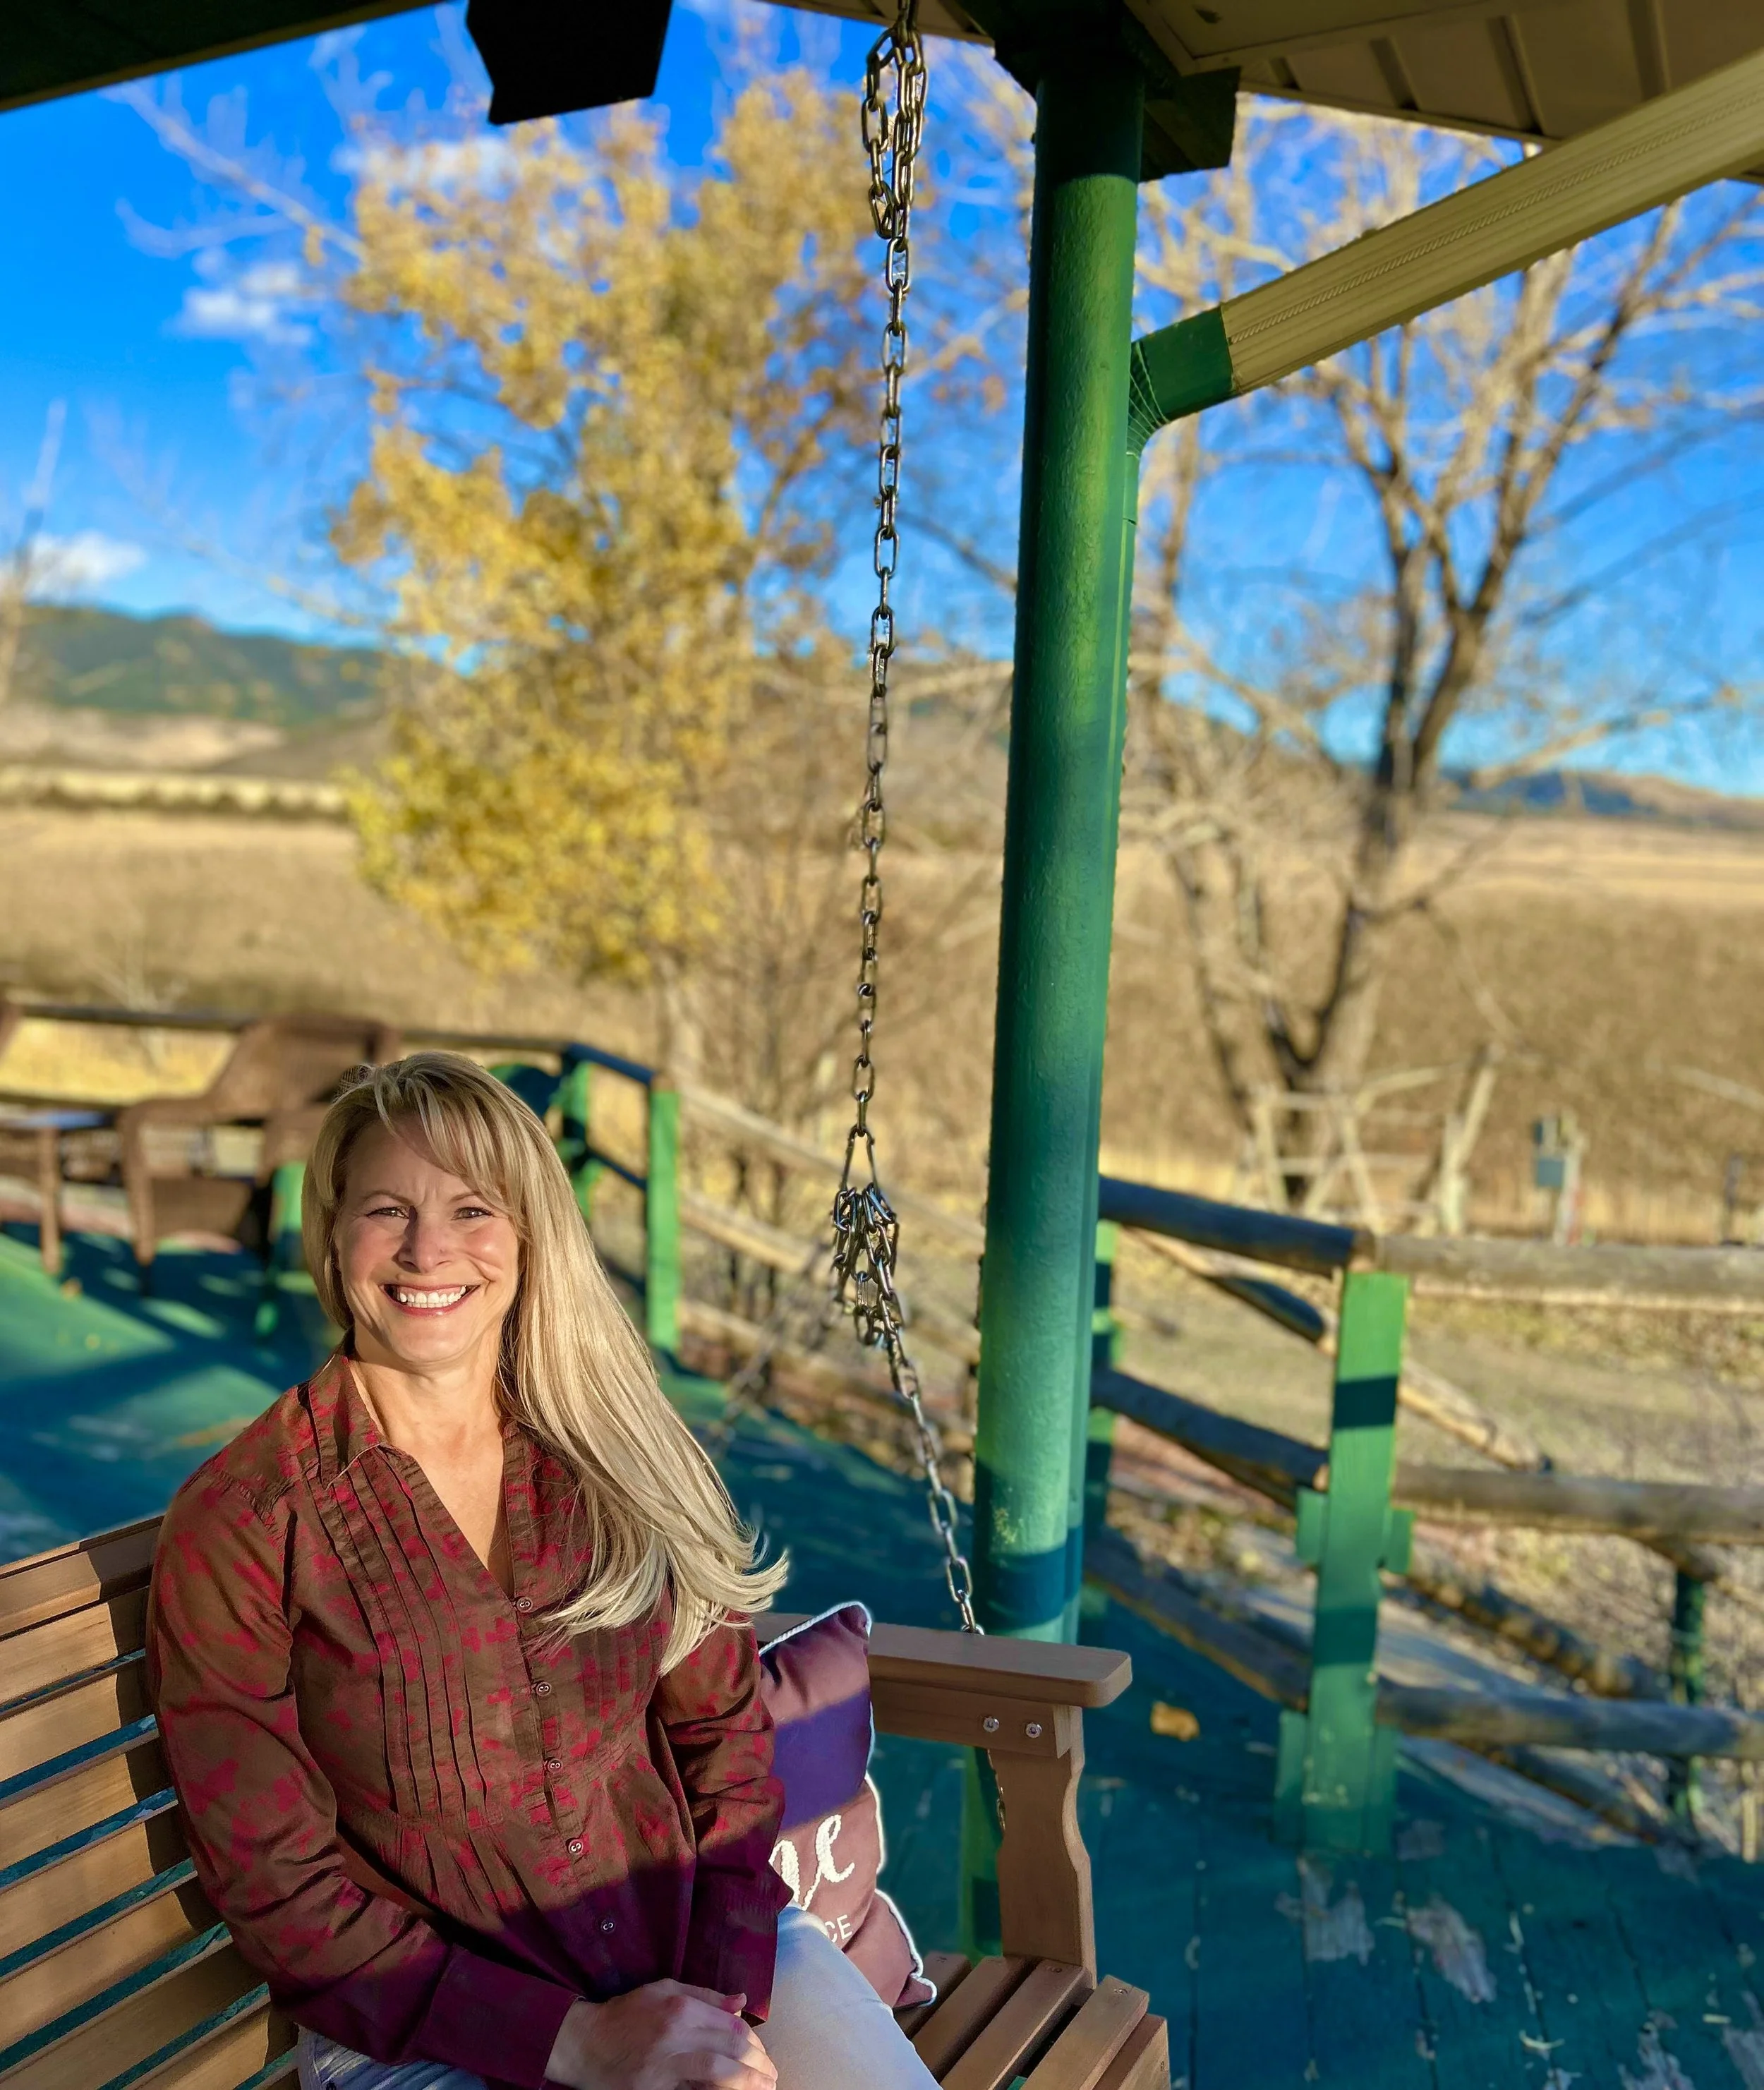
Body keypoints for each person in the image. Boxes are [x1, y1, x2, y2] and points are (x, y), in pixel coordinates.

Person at [147, 1051, 939, 2090]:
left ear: (528, 1236)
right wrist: (581, 2040)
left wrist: (714, 1993)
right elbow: (281, 1887)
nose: (429, 1248)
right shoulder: (249, 1521)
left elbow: (722, 1736)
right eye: (387, 1209)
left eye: (473, 1207)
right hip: (429, 2025)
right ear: (333, 1238)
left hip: (689, 1952)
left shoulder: (610, 1450)